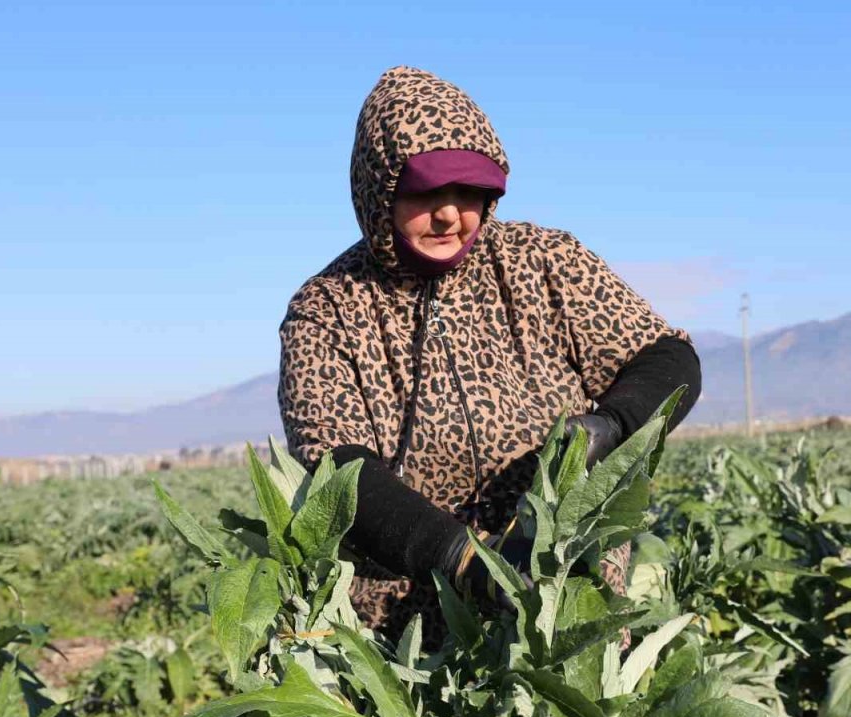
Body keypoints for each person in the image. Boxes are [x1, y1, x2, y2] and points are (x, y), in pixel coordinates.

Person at [278, 66, 701, 645]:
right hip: (402, 630)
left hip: (566, 599)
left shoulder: (545, 260)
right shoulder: (328, 309)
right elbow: (342, 468)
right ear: (380, 189)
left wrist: (614, 423)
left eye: (467, 190)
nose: (450, 213)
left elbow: (665, 357)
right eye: (427, 190)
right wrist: (464, 560)